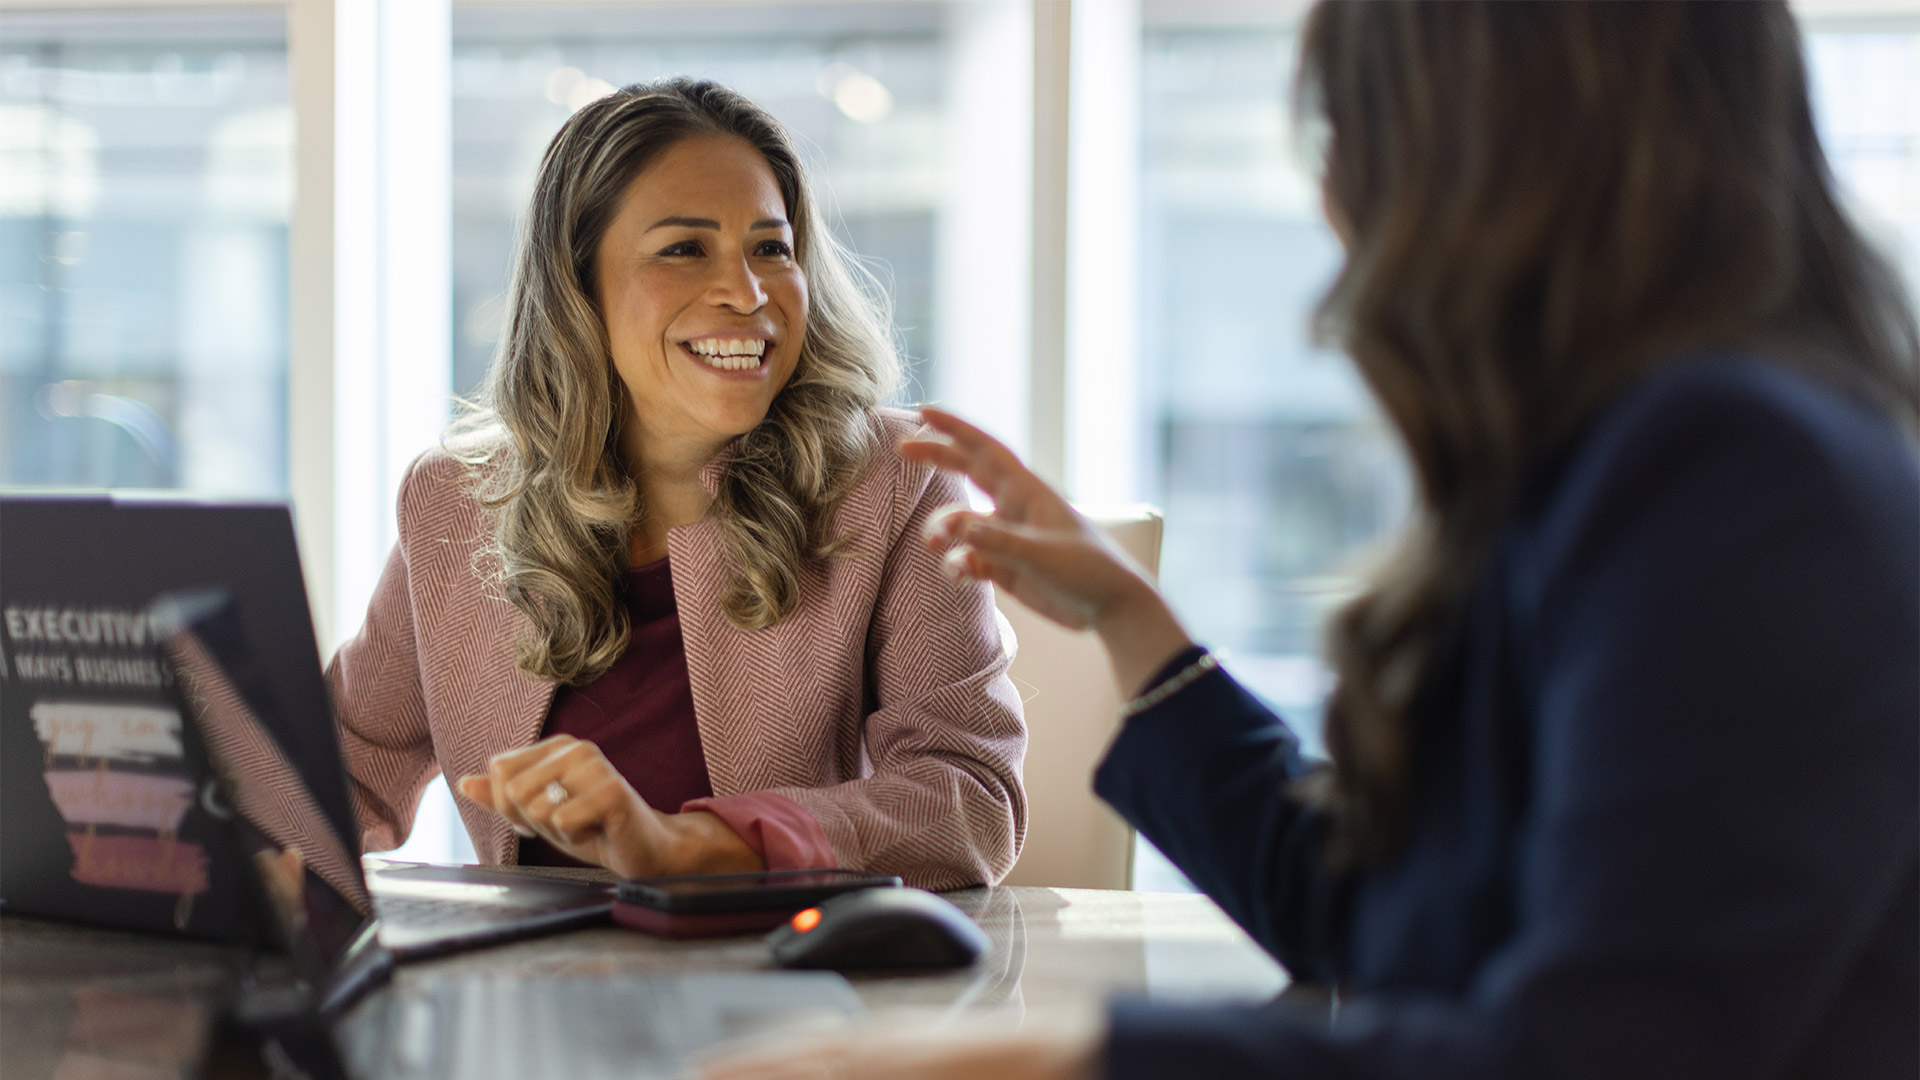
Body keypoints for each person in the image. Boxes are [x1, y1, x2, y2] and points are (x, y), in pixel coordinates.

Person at [707, 2, 1919, 1078]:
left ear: (1507, 145)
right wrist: (1136, 627)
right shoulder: (1636, 457)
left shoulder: (1735, 473)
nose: (1334, 198)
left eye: (1352, 129)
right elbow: (1368, 916)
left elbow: (1598, 1049)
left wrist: (1081, 1055)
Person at [325, 79, 1026, 889]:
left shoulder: (897, 484)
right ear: (577, 288)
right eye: (685, 249)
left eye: (772, 247)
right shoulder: (453, 500)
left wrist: (692, 848)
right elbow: (338, 771)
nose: (749, 292)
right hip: (532, 996)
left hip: (802, 990)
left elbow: (967, 799)